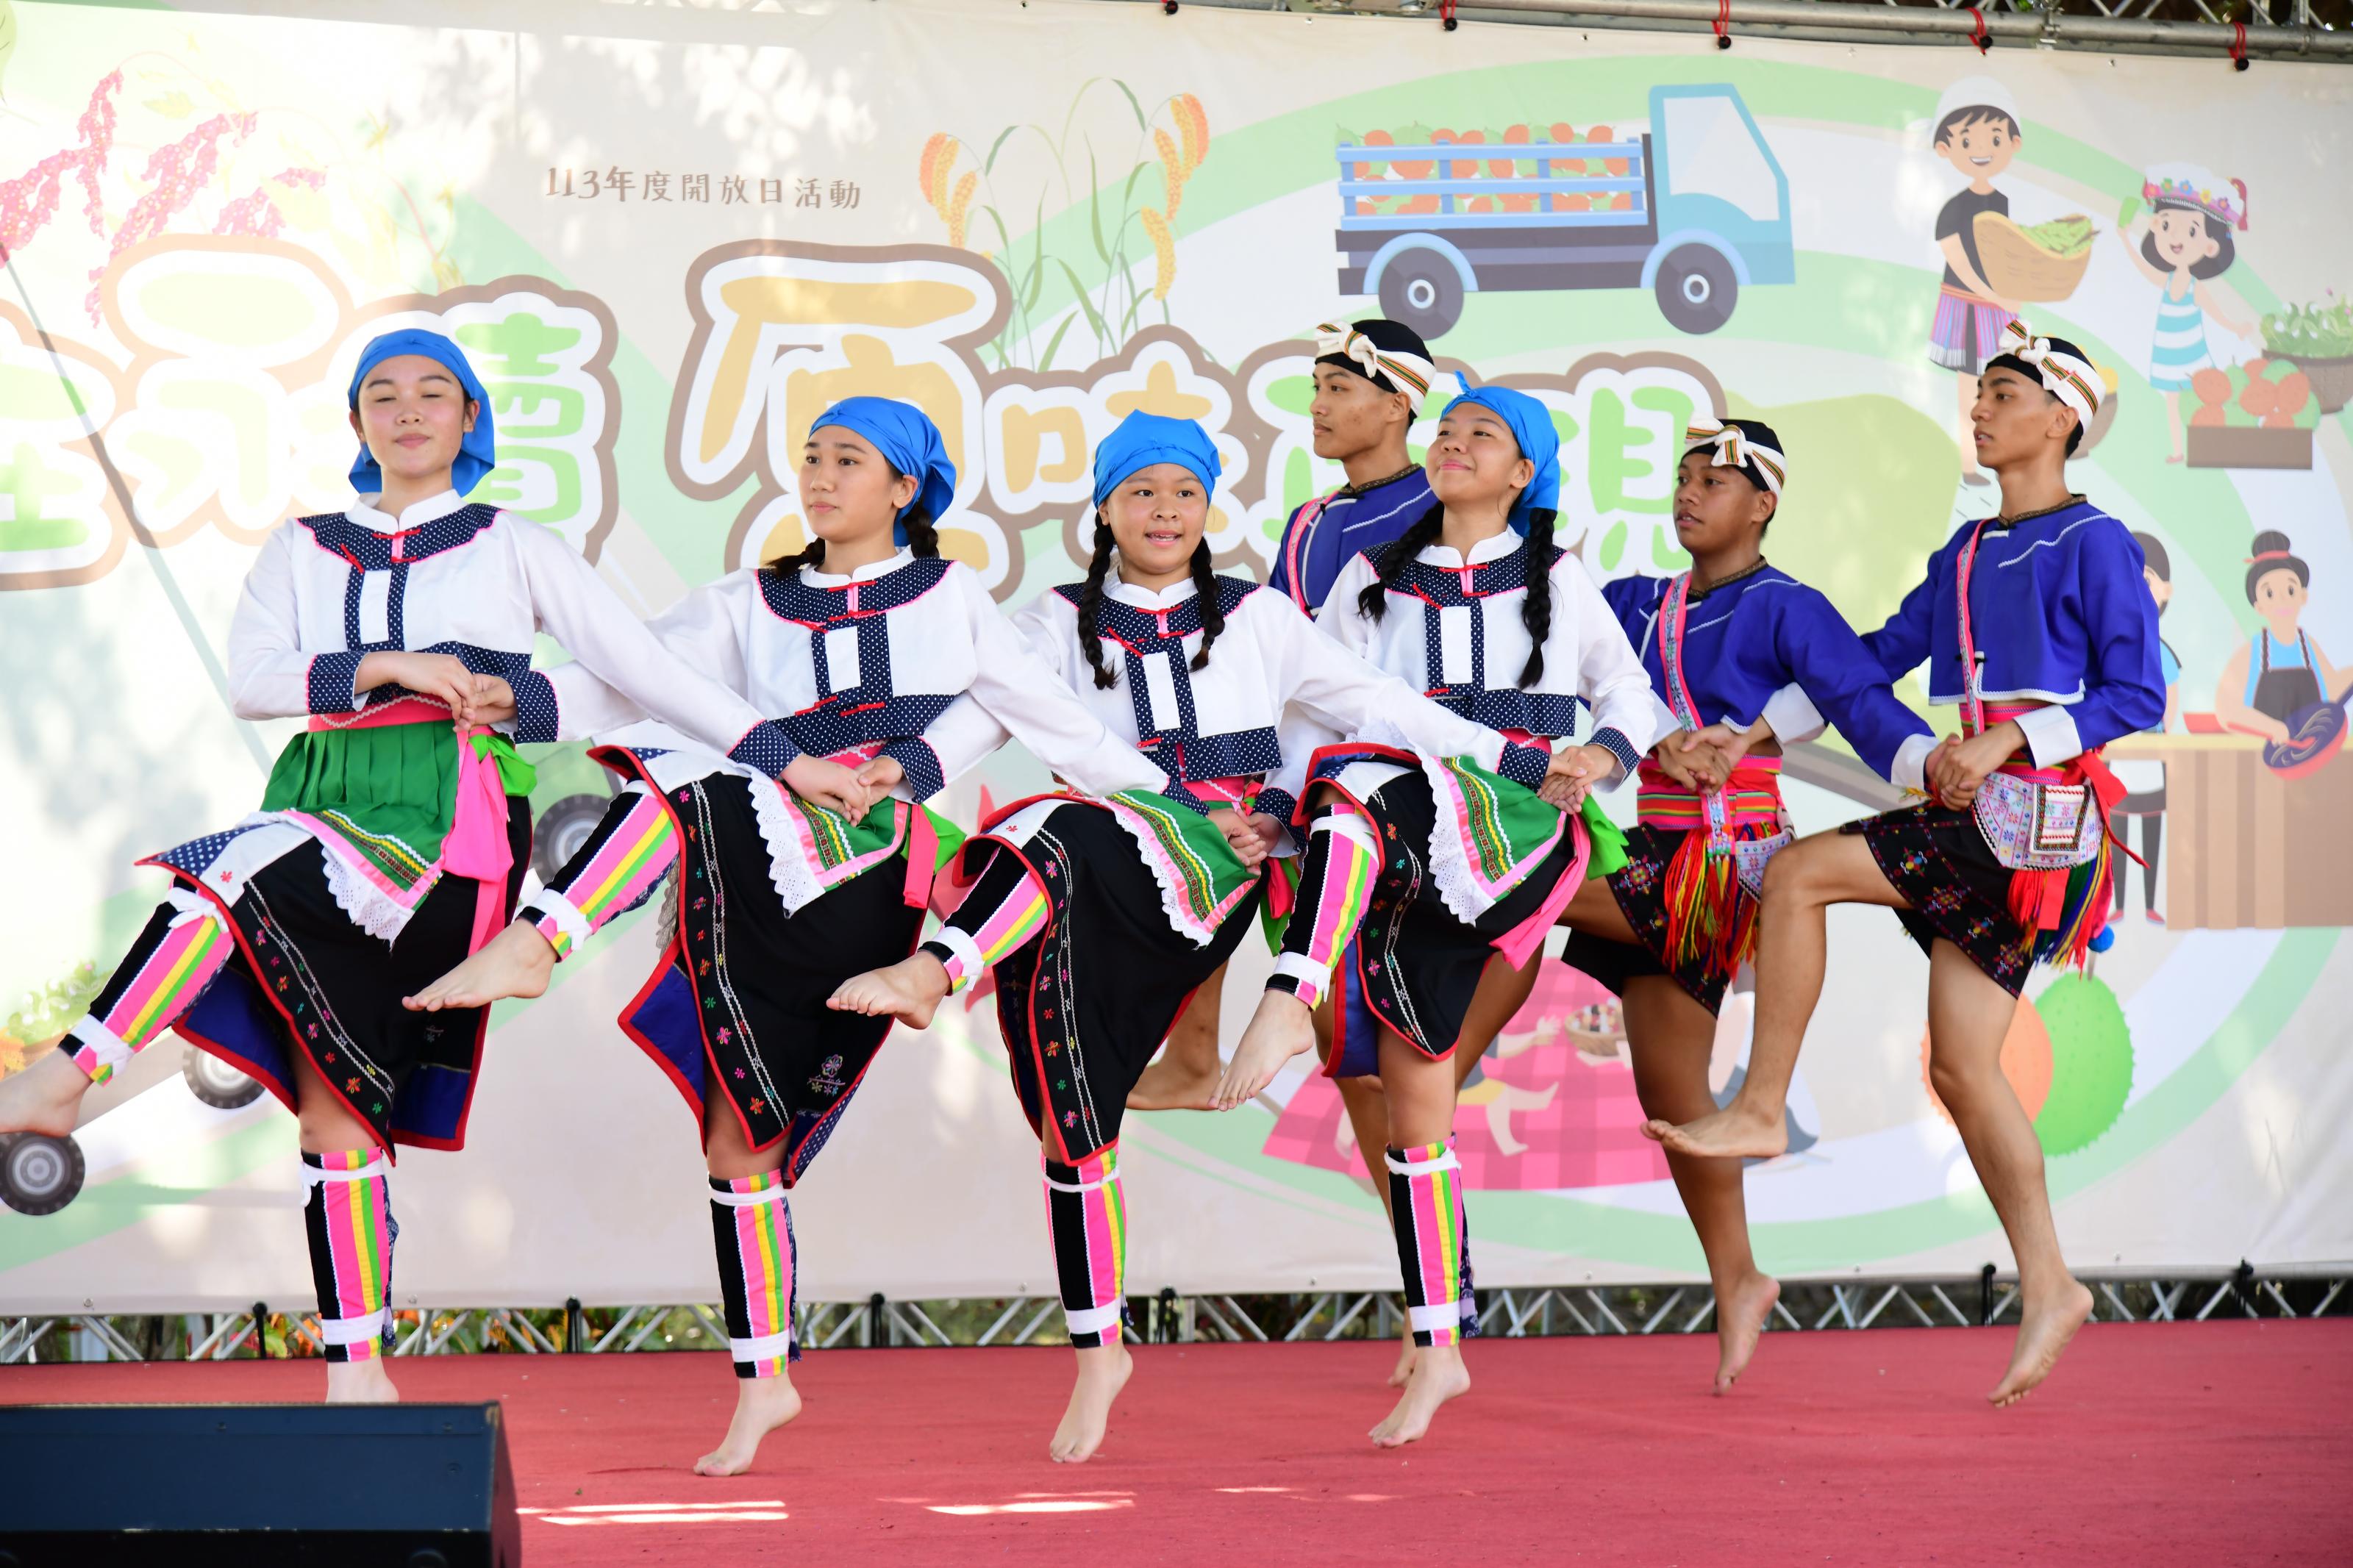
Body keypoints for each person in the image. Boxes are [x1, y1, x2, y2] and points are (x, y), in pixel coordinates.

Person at [407, 397, 1182, 1475]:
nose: (820, 476)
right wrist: (520, 699)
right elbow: (635, 681)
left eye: (849, 460)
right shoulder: (746, 599)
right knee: (738, 1143)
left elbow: (1041, 713)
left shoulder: (953, 596)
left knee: (697, 773)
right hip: (757, 873)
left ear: (906, 487)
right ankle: (764, 1381)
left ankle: (546, 933)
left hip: (867, 866)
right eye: (811, 456)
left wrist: (1172, 809)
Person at [0, 330, 778, 1402]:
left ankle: (66, 1072)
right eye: (383, 394)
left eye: (433, 393)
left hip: (445, 821)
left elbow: (646, 673)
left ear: (470, 417)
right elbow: (255, 681)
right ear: (358, 420)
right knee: (335, 1112)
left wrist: (773, 757)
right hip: (322, 796)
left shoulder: (516, 543)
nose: (408, 411)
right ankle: (356, 1373)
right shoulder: (304, 544)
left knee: (228, 873)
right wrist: (389, 664)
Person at [827, 410, 1512, 1464]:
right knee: (1071, 1105)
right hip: (1119, 879)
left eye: (1184, 493)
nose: (1163, 511)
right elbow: (985, 713)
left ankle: (939, 969)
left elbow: (1363, 701)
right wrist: (908, 770)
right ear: (1103, 507)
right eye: (1140, 492)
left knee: (1409, 1093)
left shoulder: (1260, 615)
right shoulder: (1053, 619)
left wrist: (1490, 761)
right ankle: (1101, 1349)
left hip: (1247, 865)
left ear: (1208, 509)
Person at [1645, 323, 2163, 1408]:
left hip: (2037, 823)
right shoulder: (1968, 552)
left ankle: (1762, 1102)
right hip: (1990, 822)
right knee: (1965, 1069)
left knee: (1795, 874)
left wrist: (2009, 739)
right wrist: (1751, 735)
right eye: (1980, 393)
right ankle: (2053, 1283)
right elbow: (1873, 658)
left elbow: (2137, 697)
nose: (1981, 409)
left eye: (2005, 393)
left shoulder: (2097, 542)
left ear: (2062, 418)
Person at [1217, 384, 1665, 1446]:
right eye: (1447, 431)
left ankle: (1290, 995)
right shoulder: (1373, 581)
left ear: (1524, 474)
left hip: (1509, 828)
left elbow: (1630, 699)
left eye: (1485, 437)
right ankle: (1441, 1338)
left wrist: (1602, 757)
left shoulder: (1558, 577)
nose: (1456, 445)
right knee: (1413, 1092)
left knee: (1370, 789)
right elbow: (1307, 708)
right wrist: (1279, 810)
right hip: (1398, 840)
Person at [1555, 418, 1934, 1393]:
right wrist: (1658, 735)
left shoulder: (1786, 605)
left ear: (1763, 505)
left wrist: (1929, 769)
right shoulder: (1637, 600)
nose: (1688, 494)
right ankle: (1740, 1279)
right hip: (1653, 846)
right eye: (1680, 479)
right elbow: (1560, 655)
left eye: (1712, 482)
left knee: (1518, 883)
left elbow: (1856, 691)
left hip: (1724, 860)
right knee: (1675, 1100)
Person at [1129, 318, 1442, 1113]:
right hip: (1317, 771)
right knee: (1354, 1053)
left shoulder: (1444, 506)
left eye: (1338, 388)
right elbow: (1280, 667)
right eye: (1314, 389)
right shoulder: (1308, 522)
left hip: (1415, 778)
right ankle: (1192, 1049)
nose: (1317, 406)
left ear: (1399, 404)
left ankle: (1438, 1241)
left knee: (1390, 1057)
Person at [1926, 77, 2027, 487]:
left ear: (2013, 144)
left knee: (2001, 382)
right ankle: (1968, 465)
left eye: (1996, 138)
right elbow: (1960, 262)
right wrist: (1995, 295)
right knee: (1972, 387)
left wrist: (2012, 292)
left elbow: (2005, 252)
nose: (1983, 150)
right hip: (1967, 304)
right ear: (1945, 149)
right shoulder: (1953, 209)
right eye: (1968, 141)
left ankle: (1998, 461)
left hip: (1997, 303)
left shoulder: (2002, 202)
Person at [2116, 165, 2254, 464]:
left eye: (2191, 230)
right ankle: (2178, 450)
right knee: (2172, 403)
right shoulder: (2166, 281)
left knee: (2202, 400)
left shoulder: (2194, 287)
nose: (2176, 237)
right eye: (2166, 225)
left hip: (2192, 355)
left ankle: (2207, 447)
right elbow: (2143, 269)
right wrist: (2124, 238)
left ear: (2209, 245)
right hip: (2168, 354)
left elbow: (2216, 313)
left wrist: (2235, 327)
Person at [2214, 529, 2340, 742]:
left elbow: (2334, 688)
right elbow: (2225, 708)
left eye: (2290, 590)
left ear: (2303, 596)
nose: (2282, 599)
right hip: (2264, 757)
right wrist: (2271, 727)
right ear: (2258, 606)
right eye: (2270, 593)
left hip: (2312, 753)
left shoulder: (2309, 647)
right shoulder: (2253, 652)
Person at [2112, 532, 2179, 923]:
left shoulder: (2161, 649)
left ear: (2166, 590)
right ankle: (2118, 904)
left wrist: (2160, 737)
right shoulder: (2109, 644)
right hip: (2118, 751)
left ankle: (2151, 903)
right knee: (2118, 826)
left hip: (2150, 751)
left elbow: (2171, 696)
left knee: (2151, 825)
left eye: (2147, 578)